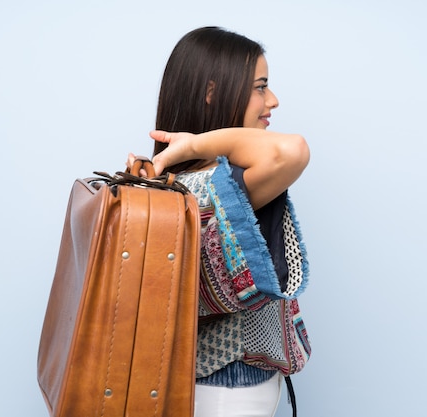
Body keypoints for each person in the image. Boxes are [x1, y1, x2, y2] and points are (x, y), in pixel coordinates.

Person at [128, 26, 311, 417]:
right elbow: (292, 151)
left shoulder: (175, 186)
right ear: (212, 92)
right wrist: (195, 143)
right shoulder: (213, 188)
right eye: (260, 87)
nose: (272, 100)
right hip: (228, 387)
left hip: (227, 382)